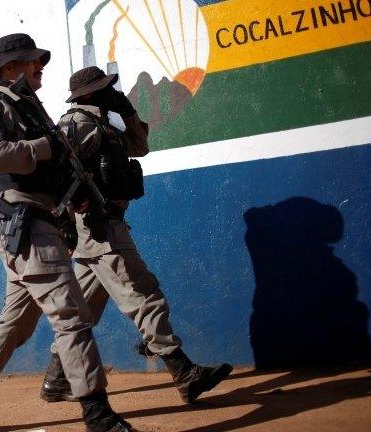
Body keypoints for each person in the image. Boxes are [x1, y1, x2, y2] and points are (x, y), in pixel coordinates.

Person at [0, 35, 133, 432]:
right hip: (24, 222)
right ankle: (97, 415)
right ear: (9, 68)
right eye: (31, 62)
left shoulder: (34, 111)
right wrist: (43, 148)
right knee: (72, 316)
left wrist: (73, 195)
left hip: (39, 222)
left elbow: (53, 170)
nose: (39, 67)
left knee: (17, 324)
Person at [39, 66, 233, 405]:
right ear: (84, 94)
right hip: (99, 226)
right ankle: (183, 372)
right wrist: (67, 218)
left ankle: (57, 380)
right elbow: (55, 173)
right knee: (144, 294)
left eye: (109, 87)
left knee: (81, 311)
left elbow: (140, 146)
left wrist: (127, 111)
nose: (109, 91)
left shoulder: (103, 122)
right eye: (102, 88)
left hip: (100, 230)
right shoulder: (77, 124)